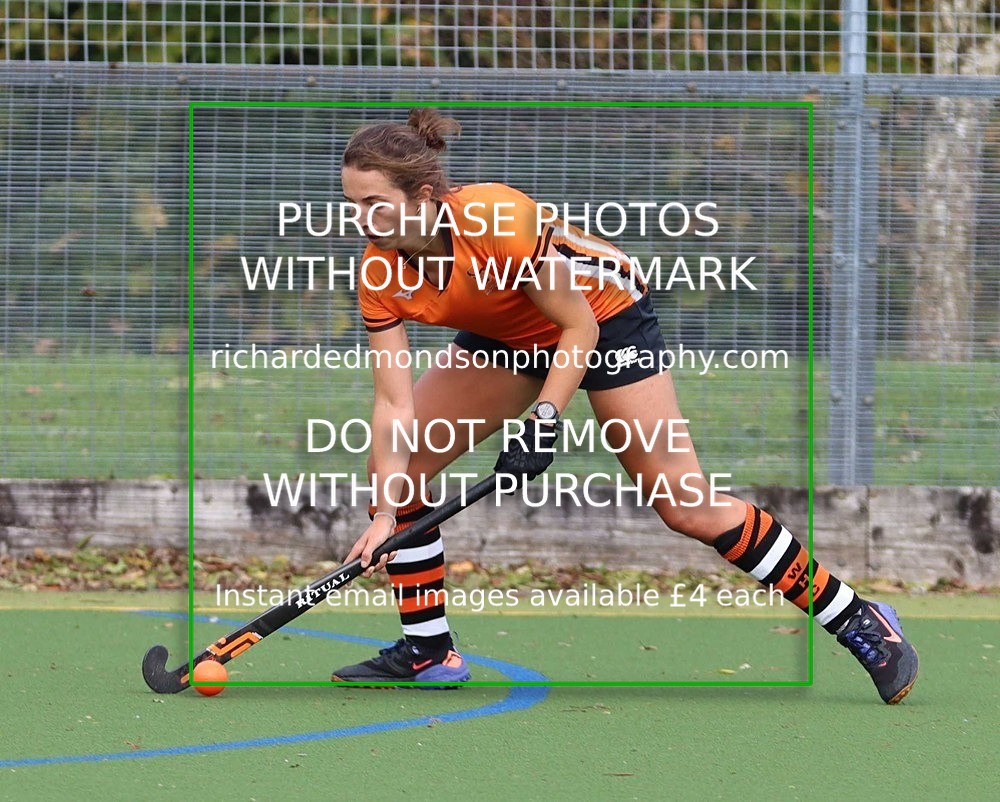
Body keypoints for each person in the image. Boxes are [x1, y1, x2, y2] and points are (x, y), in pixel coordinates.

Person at [331, 108, 918, 703]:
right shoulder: (380, 270)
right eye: (352, 203)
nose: (360, 220)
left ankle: (860, 620)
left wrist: (544, 419)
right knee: (399, 470)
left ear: (424, 194)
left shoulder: (496, 216)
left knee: (684, 504)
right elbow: (392, 403)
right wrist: (384, 512)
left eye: (373, 203)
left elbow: (576, 326)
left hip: (602, 318)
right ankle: (428, 652)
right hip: (507, 337)